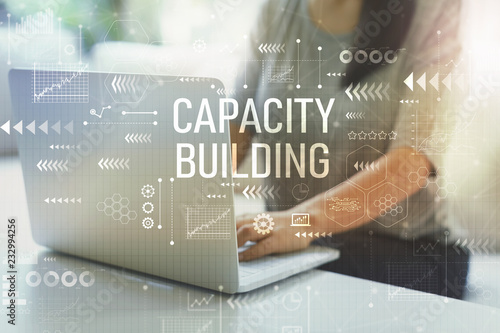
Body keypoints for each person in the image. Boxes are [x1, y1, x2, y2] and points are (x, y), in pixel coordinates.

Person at [231, 0, 469, 299]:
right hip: (291, 244)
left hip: (405, 253)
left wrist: (304, 222)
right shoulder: (276, 8)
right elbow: (236, 127)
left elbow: (410, 164)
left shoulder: (434, 9)